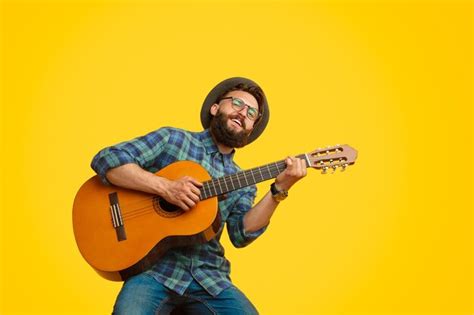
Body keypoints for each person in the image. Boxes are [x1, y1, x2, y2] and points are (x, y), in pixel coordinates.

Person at [91, 77, 307, 314]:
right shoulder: (173, 139)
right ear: (215, 108)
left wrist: (279, 190)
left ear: (251, 127)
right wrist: (165, 188)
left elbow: (241, 234)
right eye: (236, 103)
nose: (243, 112)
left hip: (210, 279)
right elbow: (108, 159)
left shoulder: (244, 183)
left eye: (251, 112)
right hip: (152, 271)